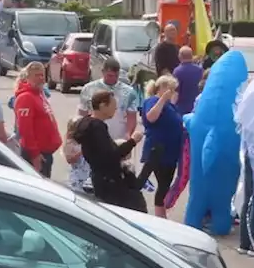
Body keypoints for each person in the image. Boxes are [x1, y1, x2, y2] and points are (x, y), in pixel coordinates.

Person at [73, 90, 147, 211]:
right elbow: (111, 156)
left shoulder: (86, 122)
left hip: (99, 178)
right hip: (109, 181)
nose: (116, 109)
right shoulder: (97, 127)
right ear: (102, 106)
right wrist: (133, 141)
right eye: (113, 106)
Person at [139, 75, 184, 219]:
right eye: (170, 88)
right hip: (158, 149)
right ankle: (159, 215)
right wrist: (163, 99)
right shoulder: (152, 100)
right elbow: (151, 117)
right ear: (161, 88)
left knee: (165, 184)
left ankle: (160, 214)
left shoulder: (171, 106)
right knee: (159, 183)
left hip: (171, 151)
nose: (172, 91)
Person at [14, 62, 62, 177]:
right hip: (37, 155)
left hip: (45, 153)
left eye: (42, 75)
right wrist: (35, 154)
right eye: (37, 75)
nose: (41, 78)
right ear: (27, 78)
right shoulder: (26, 97)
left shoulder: (39, 94)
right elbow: (25, 129)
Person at [79, 58, 139, 139]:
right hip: (94, 136)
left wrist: (128, 134)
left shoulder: (129, 92)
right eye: (110, 75)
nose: (113, 79)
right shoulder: (89, 89)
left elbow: (131, 116)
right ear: (103, 72)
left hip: (119, 137)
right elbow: (82, 113)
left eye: (116, 76)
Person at [173, 46, 203, 115]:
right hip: (197, 106)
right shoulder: (199, 70)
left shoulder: (177, 71)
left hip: (182, 108)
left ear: (180, 56)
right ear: (191, 56)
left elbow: (175, 92)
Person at [62, 118, 91, 193]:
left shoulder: (84, 140)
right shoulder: (69, 143)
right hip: (76, 176)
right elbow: (69, 159)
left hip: (87, 174)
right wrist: (82, 151)